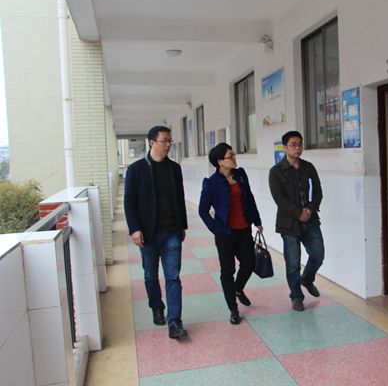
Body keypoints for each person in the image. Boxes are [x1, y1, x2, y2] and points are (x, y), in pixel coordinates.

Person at [124, 125, 188, 339]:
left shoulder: (174, 169)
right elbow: (129, 202)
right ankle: (156, 306)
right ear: (152, 142)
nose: (168, 144)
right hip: (148, 234)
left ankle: (175, 321)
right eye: (164, 141)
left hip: (171, 232)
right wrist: (134, 229)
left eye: (170, 140)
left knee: (173, 277)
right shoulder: (136, 169)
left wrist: (182, 226)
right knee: (150, 275)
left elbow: (180, 199)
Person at [198, 143, 263, 324]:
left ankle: (237, 288)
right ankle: (233, 309)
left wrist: (257, 221)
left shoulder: (240, 175)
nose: (234, 158)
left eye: (233, 154)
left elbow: (249, 198)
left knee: (249, 264)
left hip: (244, 229)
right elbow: (203, 211)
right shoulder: (211, 183)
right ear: (220, 161)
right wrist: (216, 229)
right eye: (230, 156)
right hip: (225, 233)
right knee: (227, 271)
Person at [269, 131, 324, 311]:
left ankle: (306, 279)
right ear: (285, 147)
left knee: (318, 255)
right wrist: (298, 213)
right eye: (293, 144)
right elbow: (279, 198)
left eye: (300, 144)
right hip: (289, 224)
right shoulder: (276, 171)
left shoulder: (309, 167)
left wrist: (310, 210)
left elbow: (318, 192)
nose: (298, 148)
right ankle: (296, 297)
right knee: (293, 264)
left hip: (311, 220)